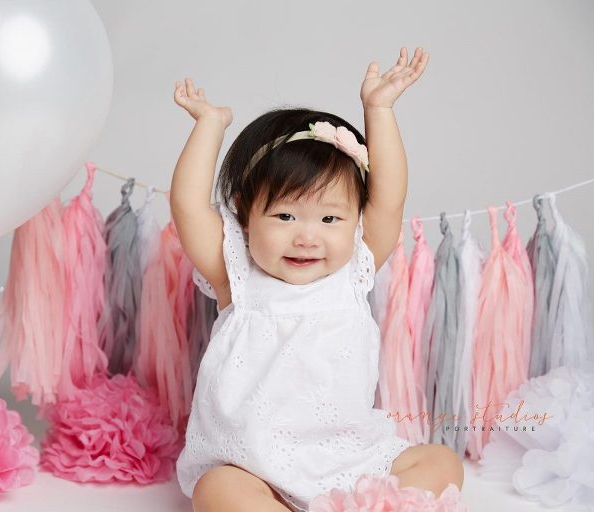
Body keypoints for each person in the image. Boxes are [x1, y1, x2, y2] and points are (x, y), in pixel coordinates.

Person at [171, 47, 463, 512]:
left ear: (354, 223)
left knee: (442, 463)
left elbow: (388, 200)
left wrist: (379, 110)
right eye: (285, 215)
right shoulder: (238, 278)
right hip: (254, 465)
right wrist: (210, 125)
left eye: (330, 219)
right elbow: (188, 207)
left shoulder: (355, 271)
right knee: (217, 492)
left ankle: (360, 506)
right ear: (246, 215)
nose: (307, 237)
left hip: (349, 458)